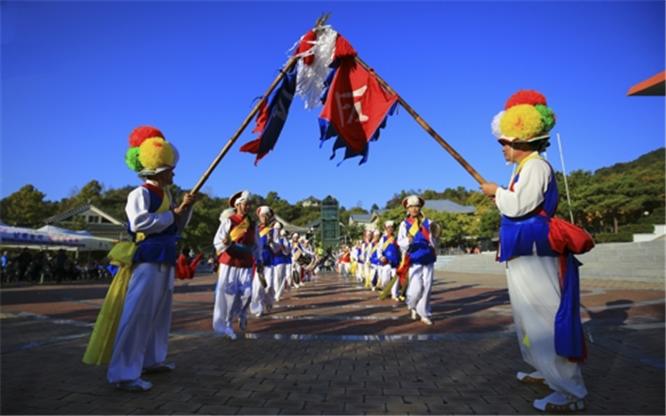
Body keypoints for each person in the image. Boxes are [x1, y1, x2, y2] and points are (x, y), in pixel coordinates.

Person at [480, 90, 587, 412]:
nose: (501, 147)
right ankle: (545, 370)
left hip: (537, 251)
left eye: (504, 142)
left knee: (543, 318)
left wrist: (494, 191)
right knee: (528, 319)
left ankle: (570, 392)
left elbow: (518, 206)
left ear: (520, 141)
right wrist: (500, 192)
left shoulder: (536, 167)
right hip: (525, 250)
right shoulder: (525, 167)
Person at [106, 126, 196, 392]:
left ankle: (152, 359)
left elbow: (176, 227)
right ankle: (123, 373)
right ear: (158, 169)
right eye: (170, 168)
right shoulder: (140, 193)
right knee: (137, 314)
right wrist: (174, 213)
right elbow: (140, 222)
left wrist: (185, 208)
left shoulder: (166, 196)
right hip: (146, 260)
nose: (174, 172)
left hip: (165, 260)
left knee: (159, 314)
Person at [213, 191, 263, 340]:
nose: (247, 207)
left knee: (247, 293)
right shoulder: (229, 221)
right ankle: (226, 324)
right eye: (245, 204)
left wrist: (258, 259)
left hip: (246, 262)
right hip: (230, 261)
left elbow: (257, 244)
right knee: (228, 294)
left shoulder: (252, 224)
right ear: (238, 205)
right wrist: (225, 245)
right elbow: (218, 240)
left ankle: (242, 313)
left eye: (249, 204)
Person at [397, 195, 436, 325]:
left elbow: (433, 239)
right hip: (414, 258)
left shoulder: (428, 222)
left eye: (417, 206)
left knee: (427, 286)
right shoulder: (404, 224)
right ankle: (412, 305)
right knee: (415, 289)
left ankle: (424, 312)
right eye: (411, 206)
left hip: (428, 257)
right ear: (407, 209)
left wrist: (436, 236)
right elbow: (400, 242)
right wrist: (408, 240)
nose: (414, 209)